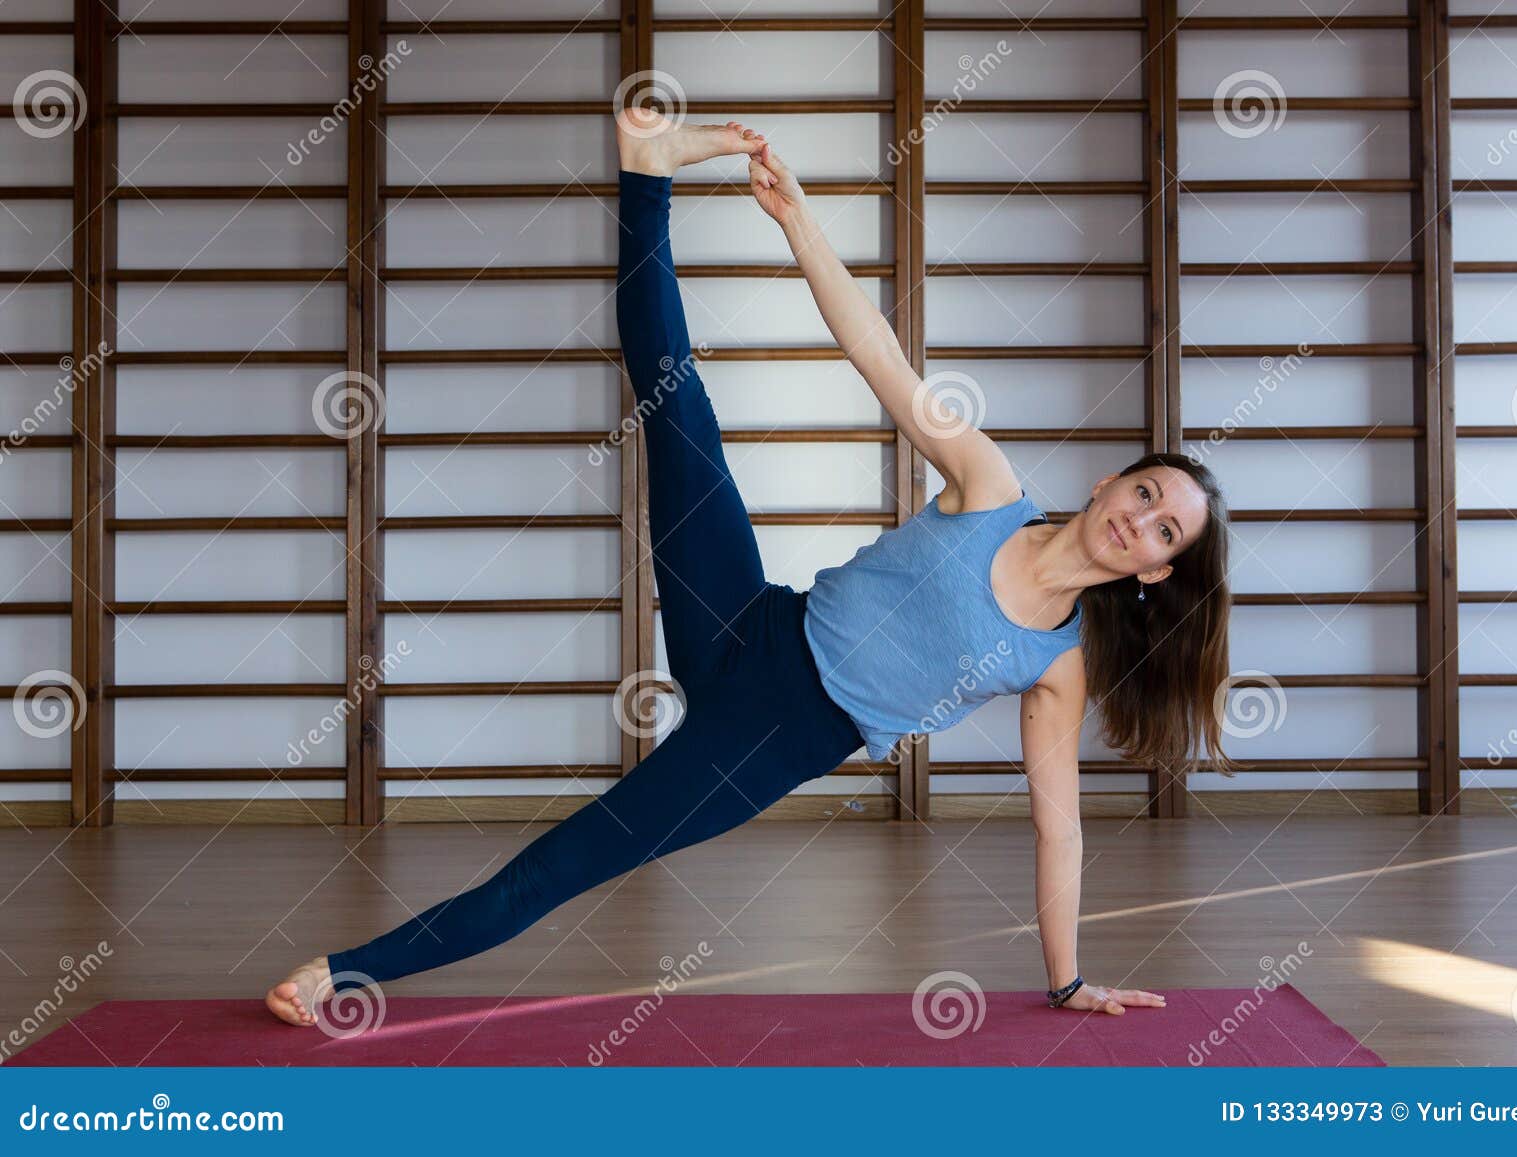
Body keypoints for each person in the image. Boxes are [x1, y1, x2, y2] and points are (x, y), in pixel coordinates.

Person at [267, 108, 1234, 1028]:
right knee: (677, 406)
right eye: (1146, 494)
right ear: (1114, 479)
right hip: (750, 618)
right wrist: (799, 221)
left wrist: (1065, 983)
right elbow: (877, 351)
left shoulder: (1057, 661)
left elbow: (1056, 828)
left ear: (1157, 573)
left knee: (556, 868)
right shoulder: (989, 483)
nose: (1139, 522)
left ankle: (335, 973)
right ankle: (646, 172)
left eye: (1164, 534)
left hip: (773, 739)